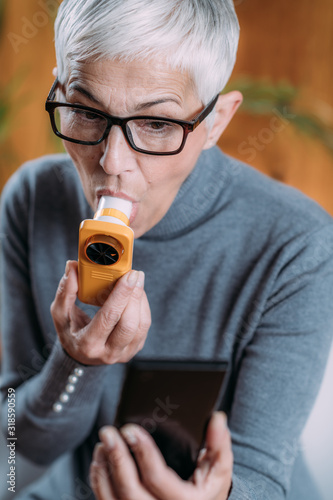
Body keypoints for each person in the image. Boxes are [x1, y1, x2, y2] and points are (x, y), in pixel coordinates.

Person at [1, 0, 332, 499]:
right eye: (87, 112)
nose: (112, 163)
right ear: (60, 91)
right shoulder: (31, 199)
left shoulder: (296, 242)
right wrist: (76, 364)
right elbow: (14, 453)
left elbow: (263, 475)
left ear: (217, 121)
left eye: (156, 125)